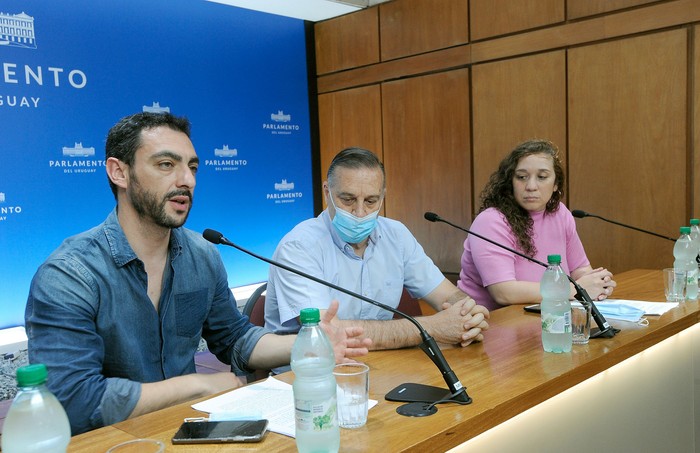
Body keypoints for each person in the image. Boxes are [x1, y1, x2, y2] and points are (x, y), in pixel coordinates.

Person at [24, 112, 371, 435]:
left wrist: (308, 345)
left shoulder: (202, 255)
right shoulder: (69, 275)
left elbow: (235, 338)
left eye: (192, 167)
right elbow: (72, 400)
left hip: (186, 431)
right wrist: (198, 385)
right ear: (119, 172)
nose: (186, 180)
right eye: (165, 165)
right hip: (110, 441)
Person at [264, 147, 490, 352]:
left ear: (383, 196)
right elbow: (327, 334)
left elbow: (449, 296)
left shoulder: (396, 234)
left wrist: (469, 314)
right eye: (348, 199)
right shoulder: (298, 247)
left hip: (381, 364)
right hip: (310, 372)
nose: (360, 212)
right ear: (327, 191)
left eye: (371, 201)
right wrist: (431, 327)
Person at [458, 139, 617, 311]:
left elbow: (580, 269)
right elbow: (504, 293)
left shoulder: (560, 213)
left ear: (556, 184)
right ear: (510, 182)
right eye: (521, 177)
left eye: (542, 177)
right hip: (489, 324)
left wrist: (597, 284)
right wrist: (577, 290)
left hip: (545, 316)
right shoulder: (490, 221)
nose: (531, 186)